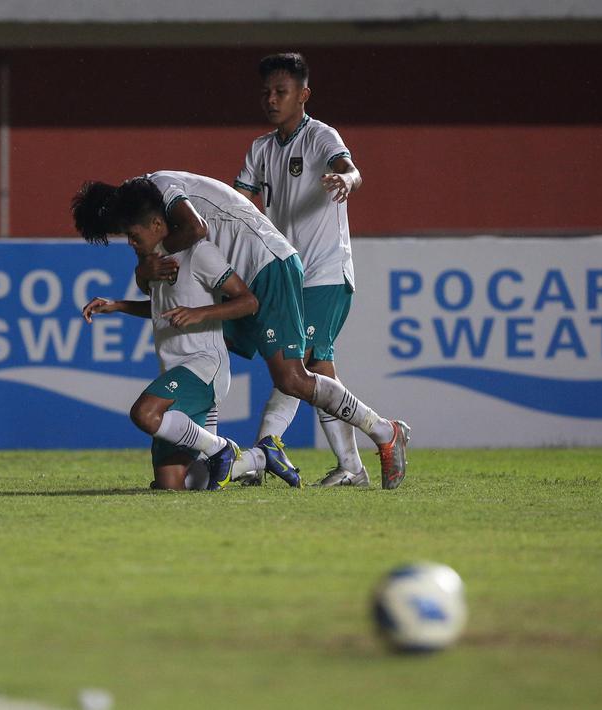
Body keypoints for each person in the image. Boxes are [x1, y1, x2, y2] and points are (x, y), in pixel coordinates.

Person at [72, 171, 409, 490]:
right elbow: (161, 297)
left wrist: (148, 265)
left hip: (264, 263)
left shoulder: (160, 187)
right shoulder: (160, 224)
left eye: (125, 233)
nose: (129, 242)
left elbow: (196, 227)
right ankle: (237, 456)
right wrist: (134, 287)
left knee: (290, 377)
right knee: (226, 347)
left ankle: (382, 430)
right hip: (235, 275)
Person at [79, 178, 289, 491]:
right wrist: (118, 305)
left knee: (144, 413)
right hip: (177, 369)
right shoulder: (155, 264)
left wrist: (200, 314)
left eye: (134, 237)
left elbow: (248, 302)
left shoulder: (199, 253)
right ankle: (257, 460)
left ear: (155, 223)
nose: (131, 245)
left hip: (204, 367)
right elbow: (160, 308)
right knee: (173, 485)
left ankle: (222, 449)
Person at [234, 52, 368, 487]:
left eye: (281, 92)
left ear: (303, 95)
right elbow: (236, 203)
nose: (271, 99)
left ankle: (259, 453)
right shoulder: (260, 149)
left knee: (297, 366)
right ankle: (354, 465)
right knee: (318, 371)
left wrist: (345, 180)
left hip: (326, 273)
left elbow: (351, 170)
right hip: (288, 278)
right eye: (266, 92)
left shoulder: (321, 137)